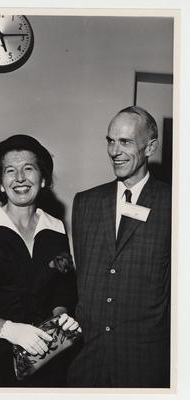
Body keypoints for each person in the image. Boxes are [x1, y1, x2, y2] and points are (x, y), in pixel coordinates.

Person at [0, 134, 81, 387]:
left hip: (46, 359)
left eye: (29, 169)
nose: (20, 178)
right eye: (10, 171)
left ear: (43, 178)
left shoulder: (56, 228)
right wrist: (8, 329)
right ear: (0, 183)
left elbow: (63, 288)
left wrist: (61, 316)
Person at [68, 106, 171, 388]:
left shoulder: (174, 204)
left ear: (150, 147)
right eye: (110, 141)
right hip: (88, 361)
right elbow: (83, 280)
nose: (115, 151)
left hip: (146, 363)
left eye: (125, 142)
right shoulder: (85, 203)